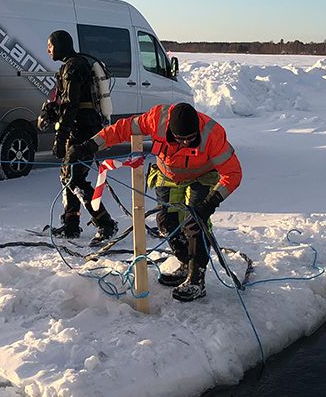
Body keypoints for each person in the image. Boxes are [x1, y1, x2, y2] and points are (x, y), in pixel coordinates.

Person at [69, 103, 242, 302]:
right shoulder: (157, 119)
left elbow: (233, 174)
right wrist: (89, 146)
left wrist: (211, 202)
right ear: (170, 130)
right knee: (165, 222)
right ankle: (186, 263)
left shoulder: (213, 134)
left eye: (190, 139)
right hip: (167, 172)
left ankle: (196, 279)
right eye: (180, 139)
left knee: (195, 223)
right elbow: (122, 129)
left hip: (202, 176)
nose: (185, 143)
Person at [44, 30, 118, 246]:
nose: (48, 50)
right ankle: (71, 224)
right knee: (69, 176)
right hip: (81, 128)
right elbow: (65, 102)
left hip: (83, 131)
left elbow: (71, 105)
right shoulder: (72, 65)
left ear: (60, 45)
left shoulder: (74, 67)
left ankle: (105, 223)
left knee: (75, 179)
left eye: (50, 45)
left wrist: (61, 136)